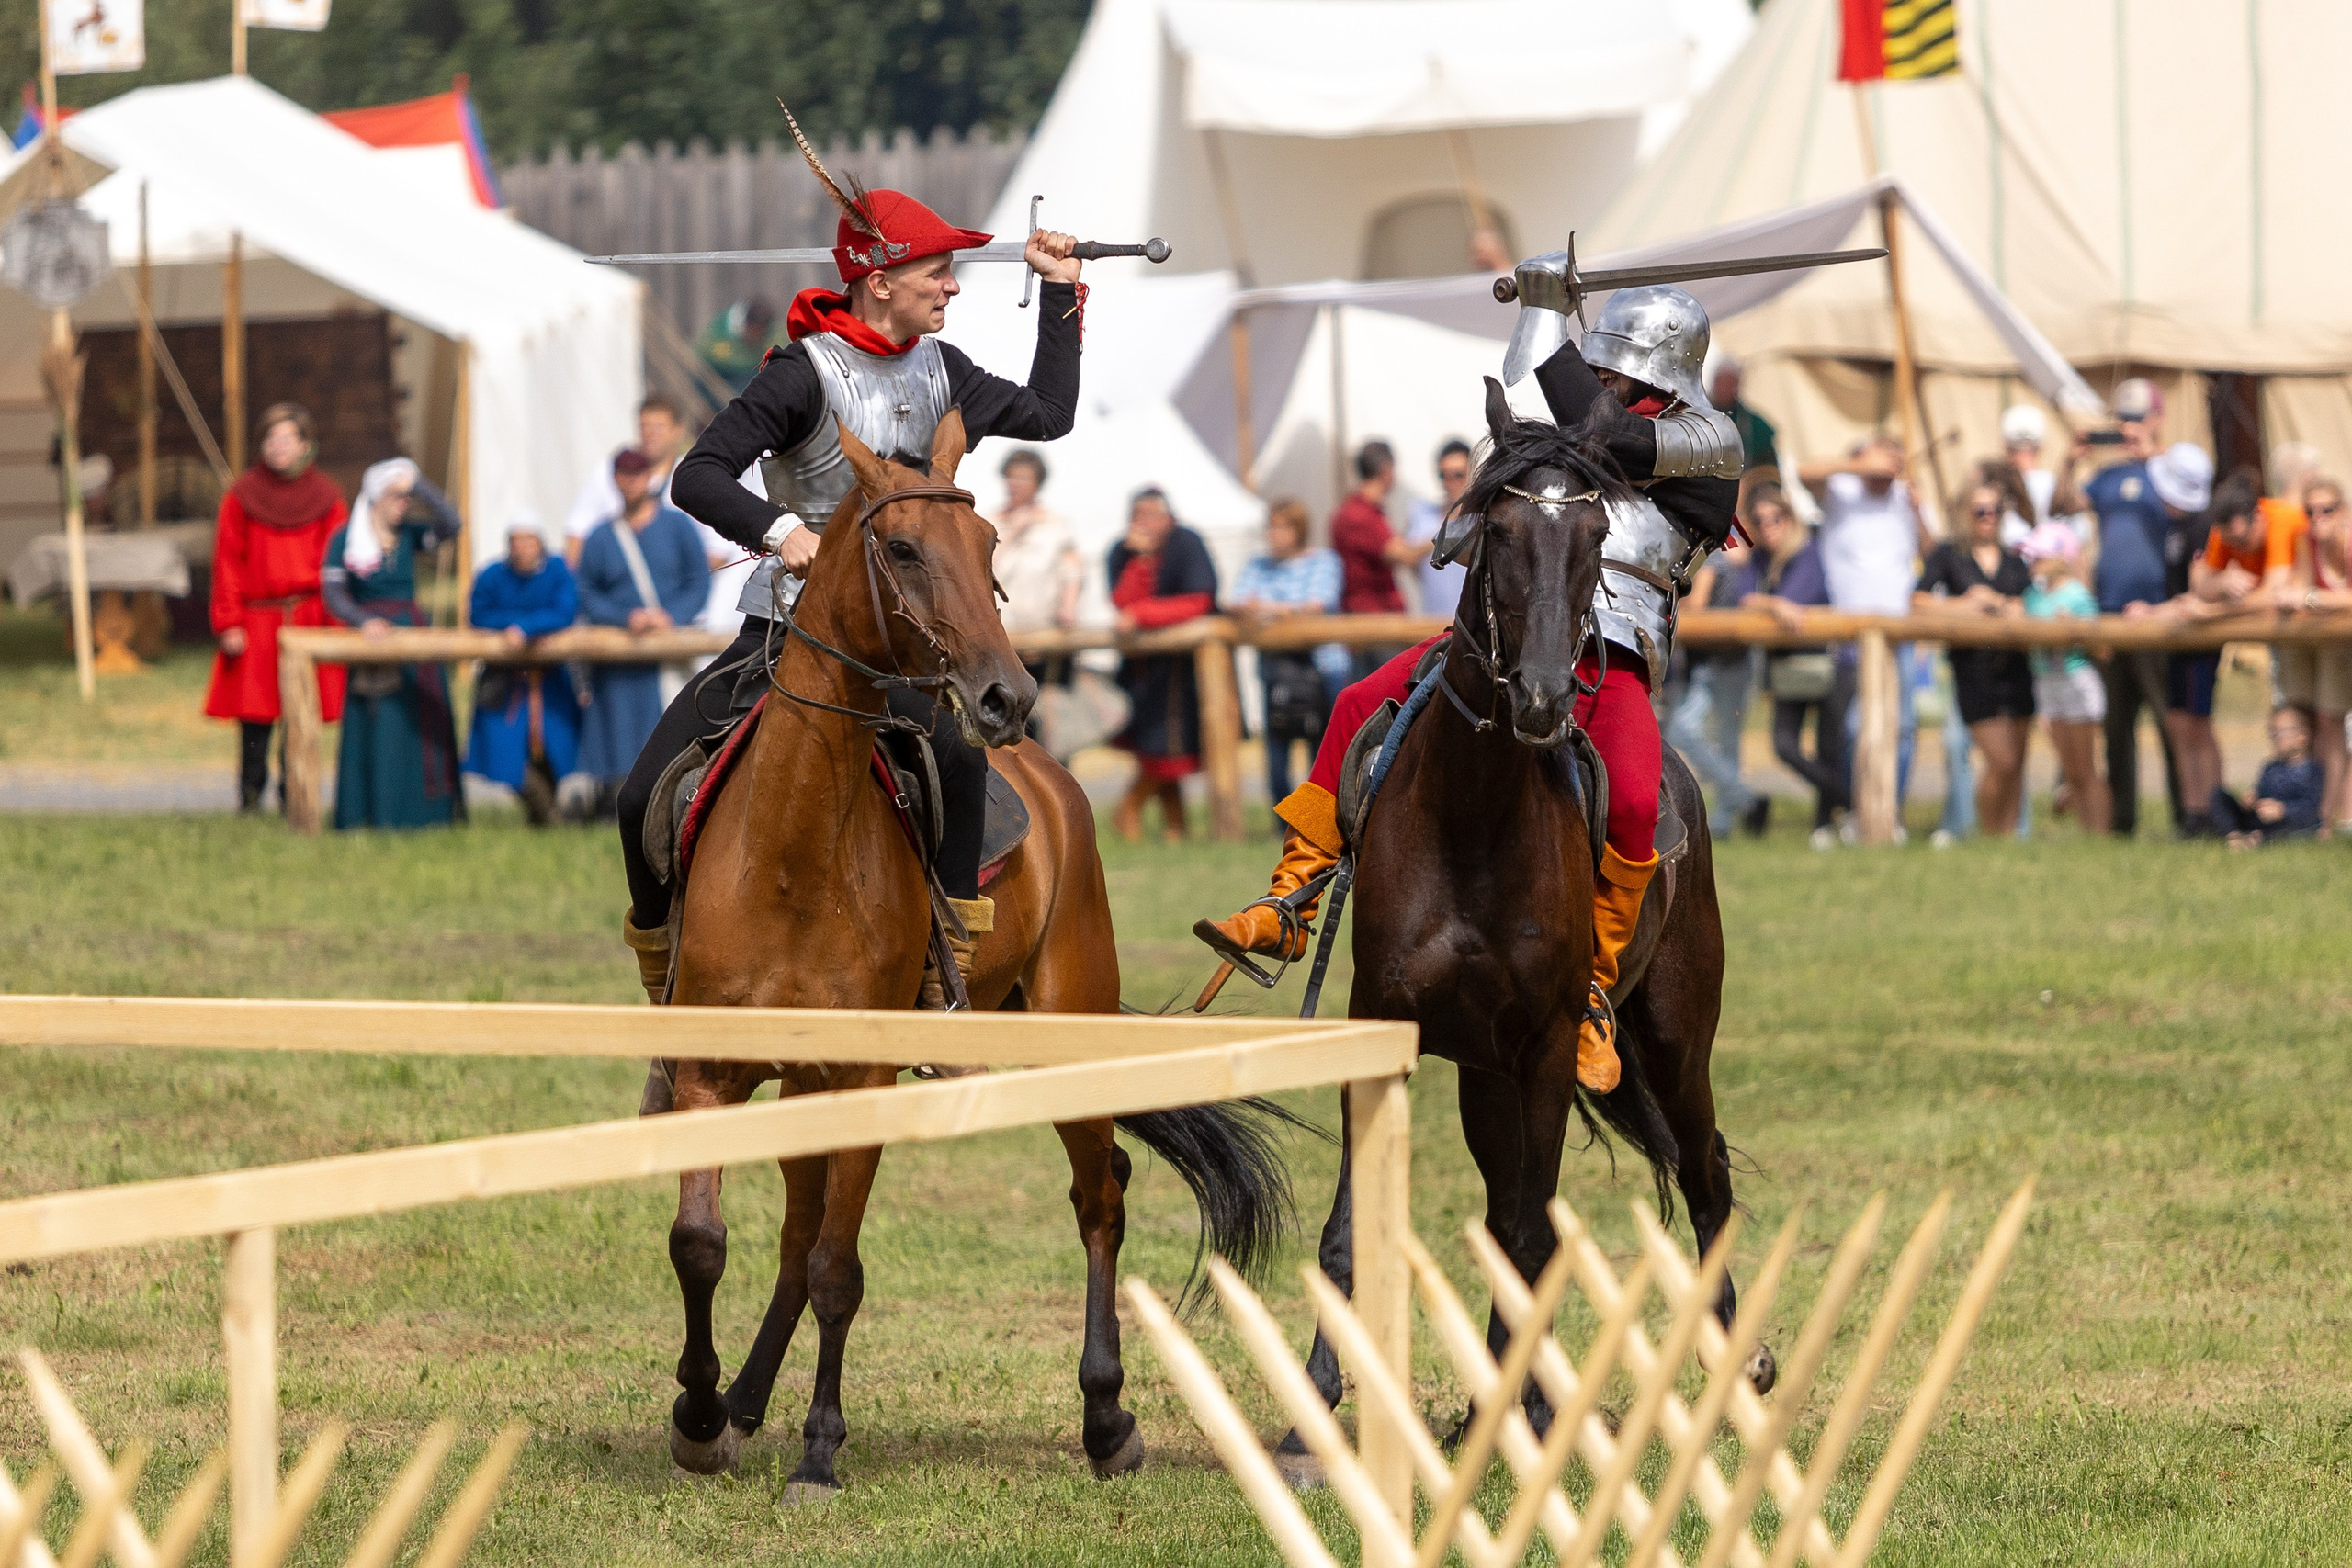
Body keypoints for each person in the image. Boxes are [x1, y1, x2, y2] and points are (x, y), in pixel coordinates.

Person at [1199, 279, 1743, 1093]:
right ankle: (1290, 903)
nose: (1602, 380)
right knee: (1355, 703)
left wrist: (1547, 310)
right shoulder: (1586, 424)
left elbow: (1605, 430)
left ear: (1661, 370)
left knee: (1635, 801)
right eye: (1597, 366)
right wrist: (1538, 310)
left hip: (1611, 658)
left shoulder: (1709, 440)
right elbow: (1537, 394)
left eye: (1617, 370)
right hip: (1506, 638)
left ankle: (1593, 992)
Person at [628, 144, 1087, 1010]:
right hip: (785, 628)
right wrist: (781, 531)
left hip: (905, 647)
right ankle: (669, 988)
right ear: (879, 280)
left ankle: (945, 966)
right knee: (638, 793)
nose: (952, 287)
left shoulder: (946, 370)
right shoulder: (801, 376)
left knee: (957, 757)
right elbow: (698, 475)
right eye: (937, 272)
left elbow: (1050, 413)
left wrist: (1059, 289)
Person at [203, 403, 348, 814]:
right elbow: (228, 562)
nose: (277, 446)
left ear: (305, 444)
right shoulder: (242, 496)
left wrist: (336, 623)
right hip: (258, 621)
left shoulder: (327, 497)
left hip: (307, 617)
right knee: (255, 715)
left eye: (287, 438)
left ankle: (294, 795)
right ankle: (250, 796)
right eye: (270, 438)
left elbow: (338, 564)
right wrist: (229, 621)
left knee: (300, 712)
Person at [318, 459, 466, 830]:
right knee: (382, 723)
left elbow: (452, 523)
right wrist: (362, 620)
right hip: (372, 640)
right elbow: (333, 593)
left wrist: (419, 484)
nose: (405, 502)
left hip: (411, 632)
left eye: (407, 496)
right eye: (397, 495)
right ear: (376, 497)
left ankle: (424, 814)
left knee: (420, 721)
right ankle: (376, 813)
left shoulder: (410, 535)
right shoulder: (346, 539)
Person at [1798, 434, 1931, 826]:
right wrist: (1860, 465)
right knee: (1853, 728)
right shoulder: (1841, 492)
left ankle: (1891, 814)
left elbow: (1933, 554)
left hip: (1899, 634)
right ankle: (1855, 809)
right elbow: (1804, 471)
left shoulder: (1905, 498)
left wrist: (1919, 511)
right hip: (1850, 635)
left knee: (1903, 727)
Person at [576, 449, 712, 806]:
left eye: (637, 474)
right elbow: (585, 592)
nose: (631, 482)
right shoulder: (600, 537)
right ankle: (615, 803)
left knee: (668, 735)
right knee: (617, 736)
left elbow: (698, 580)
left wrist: (672, 616)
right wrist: (625, 618)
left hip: (668, 655)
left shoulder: (678, 527)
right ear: (615, 480)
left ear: (649, 477)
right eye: (624, 475)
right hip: (618, 659)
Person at [2082, 378, 2183, 837]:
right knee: (2116, 726)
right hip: (2109, 613)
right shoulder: (2106, 477)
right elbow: (2063, 504)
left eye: (2138, 418)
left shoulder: (2170, 473)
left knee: (2168, 721)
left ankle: (2186, 816)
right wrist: (2070, 459)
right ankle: (2122, 823)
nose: (2129, 427)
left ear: (2158, 419)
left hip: (2157, 615)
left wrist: (2153, 458)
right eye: (2123, 419)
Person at [1914, 481, 2034, 837]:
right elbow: (1917, 600)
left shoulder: (2014, 559)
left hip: (2017, 669)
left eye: (1995, 510)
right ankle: (1989, 834)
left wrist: (2000, 604)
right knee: (2002, 761)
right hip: (1973, 670)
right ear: (1967, 513)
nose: (1988, 518)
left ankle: (2009, 841)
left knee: (2017, 766)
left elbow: (2030, 602)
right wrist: (1964, 606)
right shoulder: (1949, 554)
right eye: (1981, 511)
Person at [1107, 487, 1218, 841]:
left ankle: (1131, 808)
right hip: (1142, 669)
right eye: (1137, 515)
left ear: (1168, 517)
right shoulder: (1122, 551)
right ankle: (1174, 826)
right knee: (1157, 749)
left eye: (1151, 515)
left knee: (1170, 750)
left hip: (1183, 669)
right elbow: (1123, 603)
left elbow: (1199, 600)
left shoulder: (1186, 543)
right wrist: (1140, 561)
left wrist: (1143, 614)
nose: (1143, 523)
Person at [1742, 491, 1847, 846]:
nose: (1768, 527)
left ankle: (1825, 824)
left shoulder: (1808, 553)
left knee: (1828, 748)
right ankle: (1850, 800)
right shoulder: (1760, 558)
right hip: (1787, 667)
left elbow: (1796, 602)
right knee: (1784, 746)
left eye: (1776, 518)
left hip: (1827, 663)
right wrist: (1773, 605)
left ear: (1789, 518)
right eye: (1759, 521)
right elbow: (1744, 598)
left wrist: (1768, 603)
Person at [1230, 498, 1349, 812]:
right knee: (1277, 745)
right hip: (1277, 667)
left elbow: (1317, 604)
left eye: (1282, 527)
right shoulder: (1257, 565)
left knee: (1321, 747)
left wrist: (1266, 609)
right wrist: (1283, 610)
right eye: (1271, 527)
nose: (1274, 534)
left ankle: (1319, 815)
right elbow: (1237, 602)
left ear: (1299, 530)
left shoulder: (1323, 561)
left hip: (1322, 665)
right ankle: (1282, 819)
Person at [465, 513, 582, 825]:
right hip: (505, 682)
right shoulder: (493, 574)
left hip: (550, 680)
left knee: (554, 749)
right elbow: (479, 614)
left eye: (529, 540)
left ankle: (549, 817)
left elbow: (565, 610)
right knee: (505, 755)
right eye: (516, 541)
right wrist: (512, 626)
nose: (522, 548)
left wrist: (526, 628)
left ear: (539, 542)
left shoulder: (557, 571)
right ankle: (545, 814)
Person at [1668, 487, 1770, 840]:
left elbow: (1697, 605)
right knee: (1726, 737)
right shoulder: (1746, 550)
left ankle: (1737, 804)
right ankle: (1734, 809)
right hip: (1736, 654)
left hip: (1712, 657)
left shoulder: (1715, 550)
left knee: (1683, 730)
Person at [2018, 521, 2109, 835]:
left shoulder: (2077, 596)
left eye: (2039, 556)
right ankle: (2088, 834)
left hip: (2076, 681)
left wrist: (2073, 629)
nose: (2032, 562)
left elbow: (2103, 649)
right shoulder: (2032, 596)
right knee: (2071, 770)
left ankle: (2100, 834)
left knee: (2086, 768)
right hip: (2046, 683)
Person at [2160, 449, 2229, 835]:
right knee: (2179, 722)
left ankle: (2212, 810)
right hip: (2178, 636)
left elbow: (2197, 590)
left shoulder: (2201, 526)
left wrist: (2157, 612)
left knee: (2197, 725)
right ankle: (2194, 811)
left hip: (2197, 639)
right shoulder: (2177, 525)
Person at [2278, 476, 2351, 832]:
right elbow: (2295, 588)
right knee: (2325, 723)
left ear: (2344, 510)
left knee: (2334, 724)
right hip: (2331, 644)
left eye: (2327, 509)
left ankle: (2333, 817)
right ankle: (2323, 816)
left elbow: (2308, 594)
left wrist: (2313, 598)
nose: (2317, 518)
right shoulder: (2307, 542)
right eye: (2310, 511)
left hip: (2340, 644)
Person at [564, 396, 691, 565]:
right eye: (645, 426)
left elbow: (714, 547)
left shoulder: (691, 475)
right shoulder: (607, 470)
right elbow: (577, 533)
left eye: (659, 427)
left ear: (678, 430)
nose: (651, 434)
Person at [990, 447, 1083, 661]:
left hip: (1044, 632)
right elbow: (980, 569)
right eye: (1012, 477)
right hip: (1000, 633)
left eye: (1023, 478)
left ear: (1038, 483)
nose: (1016, 484)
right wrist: (1013, 532)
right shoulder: (989, 522)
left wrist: (1068, 608)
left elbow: (1072, 571)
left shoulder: (1056, 524)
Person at [1329, 439, 1409, 674]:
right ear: (1386, 470)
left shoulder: (1353, 512)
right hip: (1377, 623)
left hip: (1366, 622)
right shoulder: (1361, 515)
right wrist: (1443, 530)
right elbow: (1401, 554)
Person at [2213, 705, 2325, 847]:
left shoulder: (2312, 771)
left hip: (2284, 823)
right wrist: (2252, 798)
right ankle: (2234, 837)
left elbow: (2311, 807)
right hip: (2259, 819)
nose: (2275, 738)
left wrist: (2283, 810)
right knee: (2218, 795)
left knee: (2301, 828)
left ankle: (2256, 840)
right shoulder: (2271, 767)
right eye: (2272, 732)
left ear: (2301, 736)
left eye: (2280, 732)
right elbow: (2260, 792)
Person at [1400, 439, 1473, 618]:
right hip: (1432, 622)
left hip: (1473, 625)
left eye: (1458, 475)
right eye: (1443, 475)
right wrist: (1448, 527)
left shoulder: (1482, 518)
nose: (1450, 482)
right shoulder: (1422, 515)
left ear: (1472, 474)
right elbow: (1406, 557)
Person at [1996, 405, 2083, 545]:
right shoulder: (2057, 485)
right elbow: (2079, 535)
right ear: (2041, 446)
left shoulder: (1996, 487)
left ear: (2005, 446)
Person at [1709, 357, 1779, 478]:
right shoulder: (1698, 418)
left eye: (1729, 383)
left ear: (1738, 385)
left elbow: (1768, 470)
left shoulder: (1755, 425)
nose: (1724, 388)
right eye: (1721, 383)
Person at [696, 298, 778, 394]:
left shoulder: (774, 335)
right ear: (747, 325)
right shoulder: (720, 331)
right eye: (753, 332)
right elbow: (702, 354)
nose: (755, 338)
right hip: (716, 375)